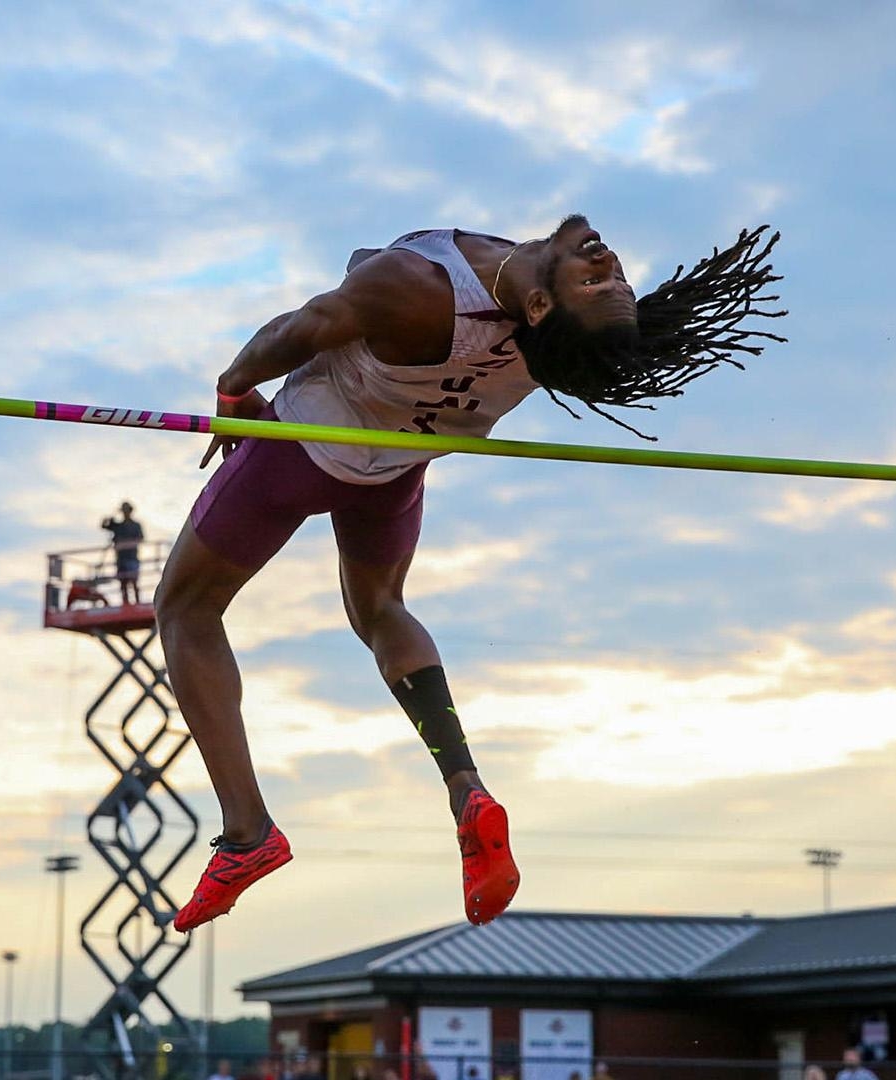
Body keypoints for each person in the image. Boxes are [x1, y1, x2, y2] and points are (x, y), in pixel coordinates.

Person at [156, 216, 784, 932]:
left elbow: (304, 327)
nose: (609, 263)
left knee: (186, 608)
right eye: (610, 278)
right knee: (381, 610)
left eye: (597, 280)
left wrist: (235, 389)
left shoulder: (416, 291)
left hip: (306, 444)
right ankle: (467, 790)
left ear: (543, 308)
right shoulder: (554, 342)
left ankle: (247, 832)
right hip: (395, 467)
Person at [100, 501, 147, 605]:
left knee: (134, 582)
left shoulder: (136, 525)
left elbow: (141, 538)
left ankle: (137, 603)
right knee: (123, 583)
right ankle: (126, 604)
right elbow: (103, 525)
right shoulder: (117, 526)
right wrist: (111, 516)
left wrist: (128, 543)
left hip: (132, 558)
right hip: (121, 559)